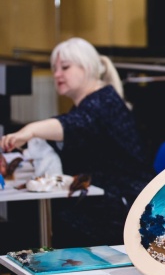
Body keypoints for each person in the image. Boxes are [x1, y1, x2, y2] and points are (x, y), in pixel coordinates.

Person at [1, 37, 154, 247]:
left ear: (87, 67)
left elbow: (74, 124)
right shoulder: (89, 104)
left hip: (129, 205)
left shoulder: (104, 101)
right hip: (107, 198)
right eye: (54, 69)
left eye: (65, 67)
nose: (57, 74)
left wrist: (30, 131)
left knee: (37, 225)